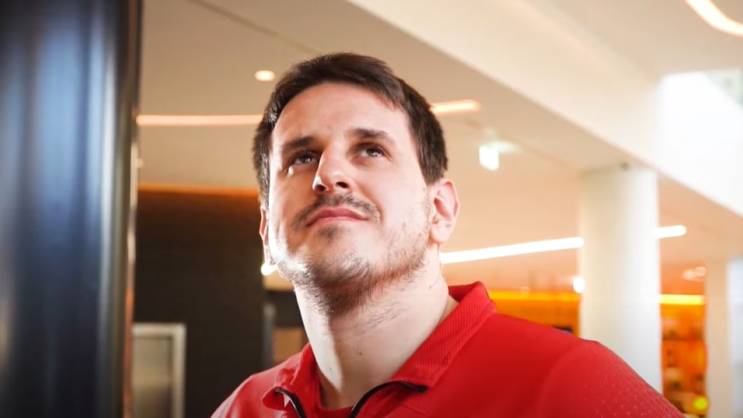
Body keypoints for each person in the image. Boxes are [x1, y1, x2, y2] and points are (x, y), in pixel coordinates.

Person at [212, 53, 682, 418]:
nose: (328, 174)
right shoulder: (243, 408)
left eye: (370, 150)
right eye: (300, 158)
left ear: (439, 209)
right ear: (266, 230)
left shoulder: (572, 385)